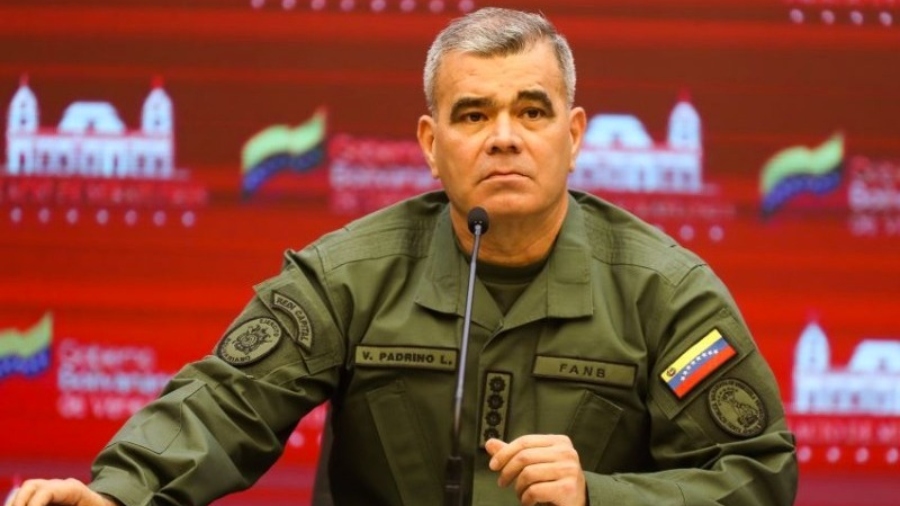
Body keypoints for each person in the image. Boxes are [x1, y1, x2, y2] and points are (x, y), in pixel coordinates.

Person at [9, 7, 798, 506]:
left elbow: (757, 473)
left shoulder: (667, 292)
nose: (504, 137)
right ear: (430, 142)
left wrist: (598, 495)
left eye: (532, 111)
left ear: (574, 134)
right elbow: (226, 402)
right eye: (473, 115)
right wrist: (119, 494)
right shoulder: (349, 275)